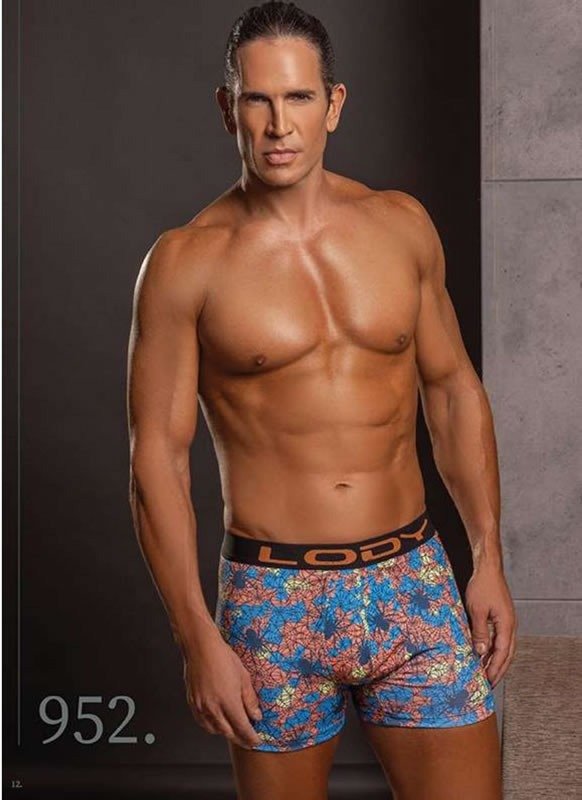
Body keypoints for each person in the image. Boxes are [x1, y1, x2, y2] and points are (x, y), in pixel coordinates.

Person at [126, 2, 516, 797]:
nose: (280, 125)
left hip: (412, 579)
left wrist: (488, 558)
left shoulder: (400, 226)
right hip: (274, 599)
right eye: (258, 100)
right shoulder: (185, 263)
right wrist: (196, 636)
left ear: (333, 104)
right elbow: (156, 458)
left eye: (299, 97)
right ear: (227, 108)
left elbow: (452, 391)